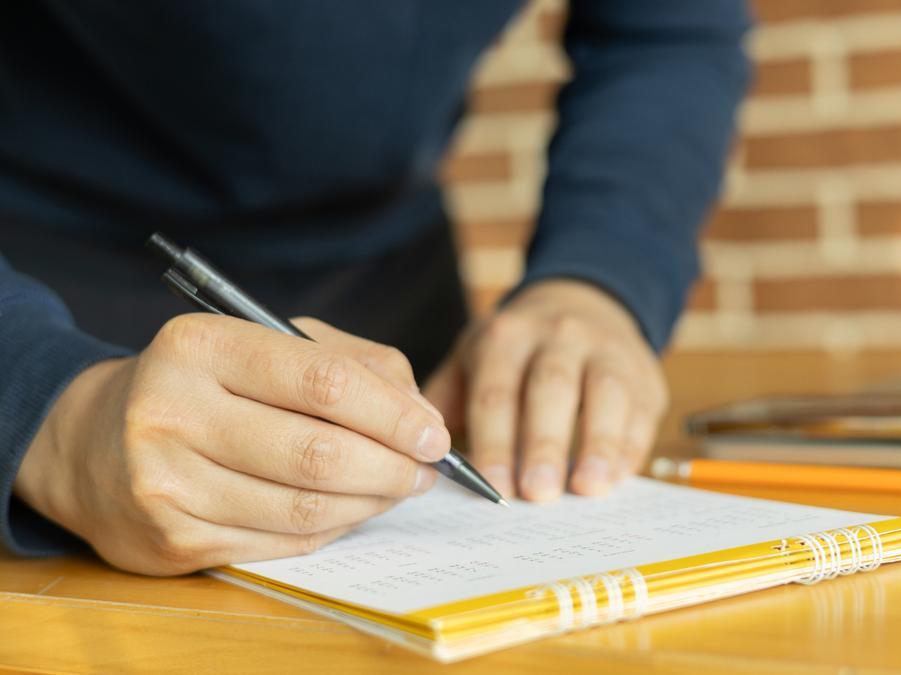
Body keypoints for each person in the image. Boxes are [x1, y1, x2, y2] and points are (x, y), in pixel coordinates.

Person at [0, 1, 750, 575]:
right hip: (45, 294)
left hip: (397, 286)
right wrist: (43, 406)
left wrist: (599, 277)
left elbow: (666, 32)